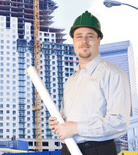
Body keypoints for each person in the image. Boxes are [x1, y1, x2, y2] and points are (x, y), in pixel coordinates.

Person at [49, 11, 131, 155]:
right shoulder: (70, 81)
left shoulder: (113, 74)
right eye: (79, 37)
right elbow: (66, 118)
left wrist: (76, 128)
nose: (84, 41)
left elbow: (119, 122)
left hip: (99, 150)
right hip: (68, 149)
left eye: (90, 37)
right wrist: (59, 123)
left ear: (99, 40)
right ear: (73, 42)